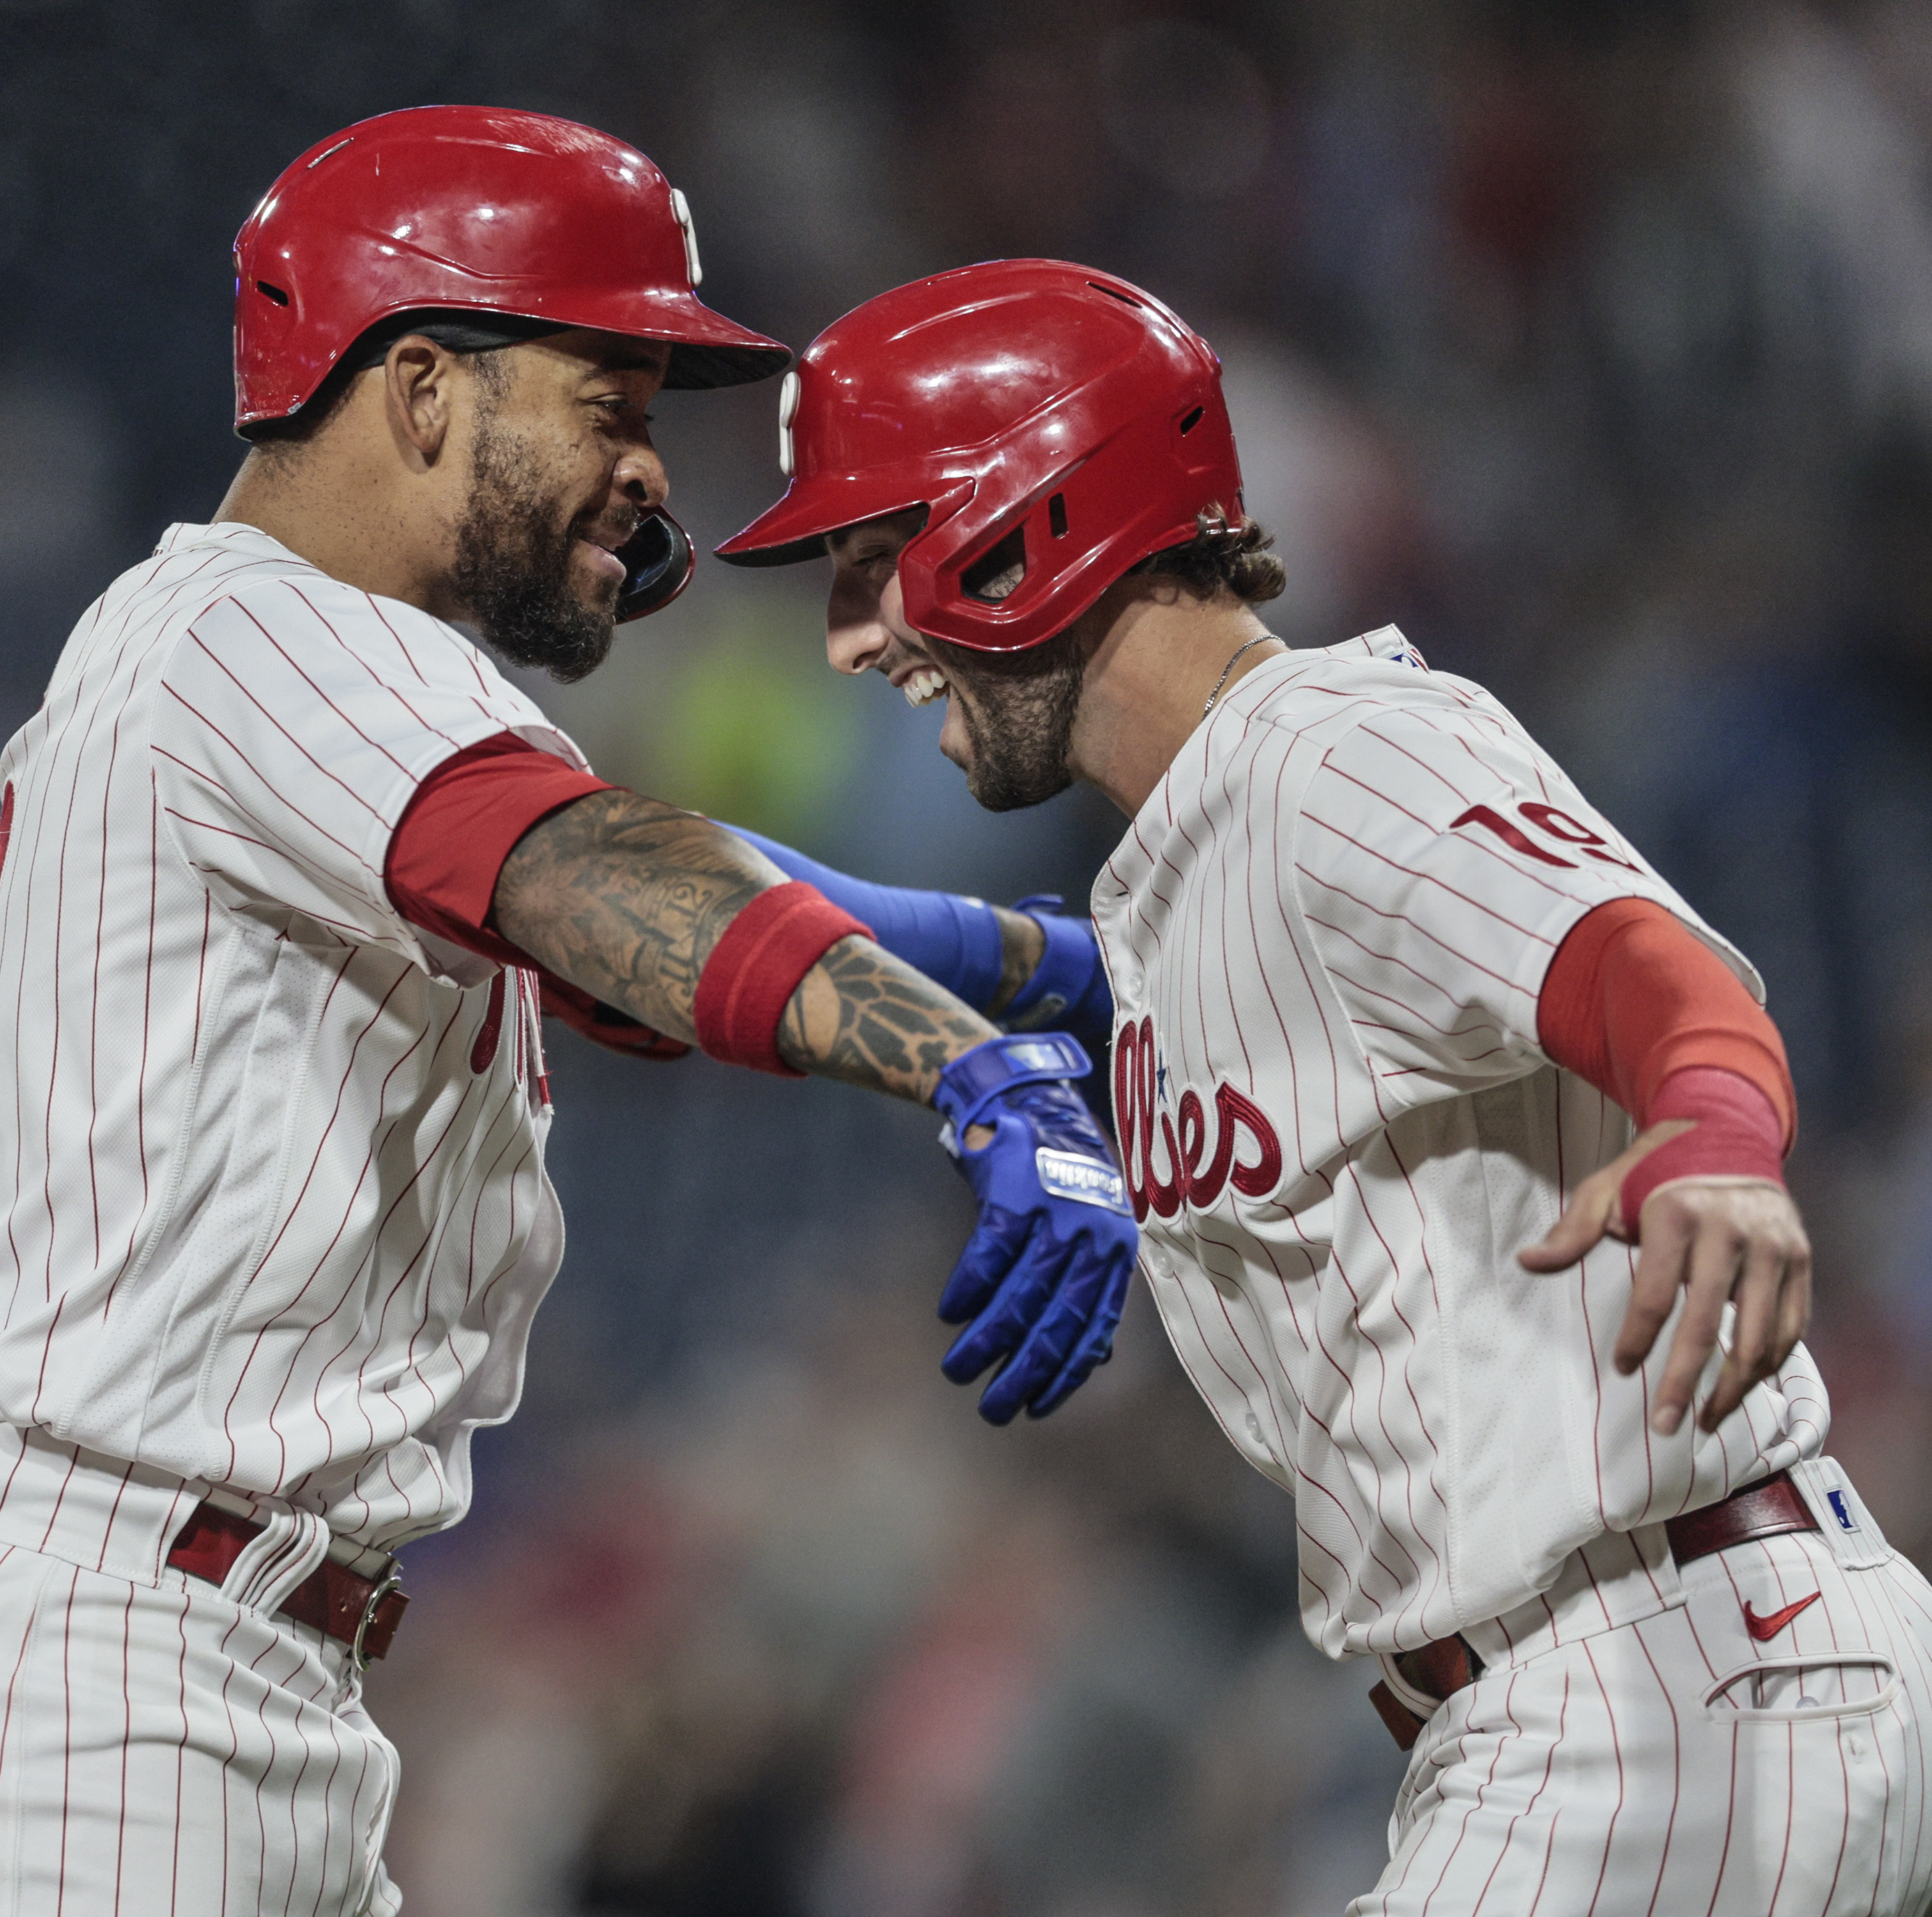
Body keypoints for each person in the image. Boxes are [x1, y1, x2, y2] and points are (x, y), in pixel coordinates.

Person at [0, 116, 1140, 1917]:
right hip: (84, 1681)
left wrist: (1034, 958)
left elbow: (660, 893)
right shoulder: (259, 626)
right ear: (417, 388)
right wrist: (971, 1062)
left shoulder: (297, 680)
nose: (651, 475)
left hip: (191, 1673)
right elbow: (603, 883)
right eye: (606, 399)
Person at [715, 258, 1932, 1915]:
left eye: (872, 564)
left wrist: (1713, 1132)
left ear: (1026, 528)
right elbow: (886, 926)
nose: (852, 637)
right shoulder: (1186, 863)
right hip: (1625, 1692)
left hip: (1659, 1692)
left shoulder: (1328, 755)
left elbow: (1650, 966)